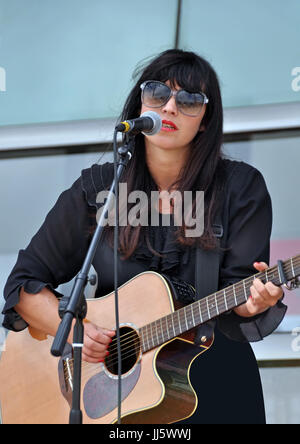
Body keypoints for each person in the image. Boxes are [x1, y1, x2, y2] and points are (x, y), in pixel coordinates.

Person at [2, 49, 286, 424]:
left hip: (214, 385)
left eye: (188, 100)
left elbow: (242, 296)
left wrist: (257, 302)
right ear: (140, 103)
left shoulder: (238, 187)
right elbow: (24, 286)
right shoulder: (99, 190)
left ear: (205, 121)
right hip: (116, 404)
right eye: (157, 93)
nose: (169, 107)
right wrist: (77, 331)